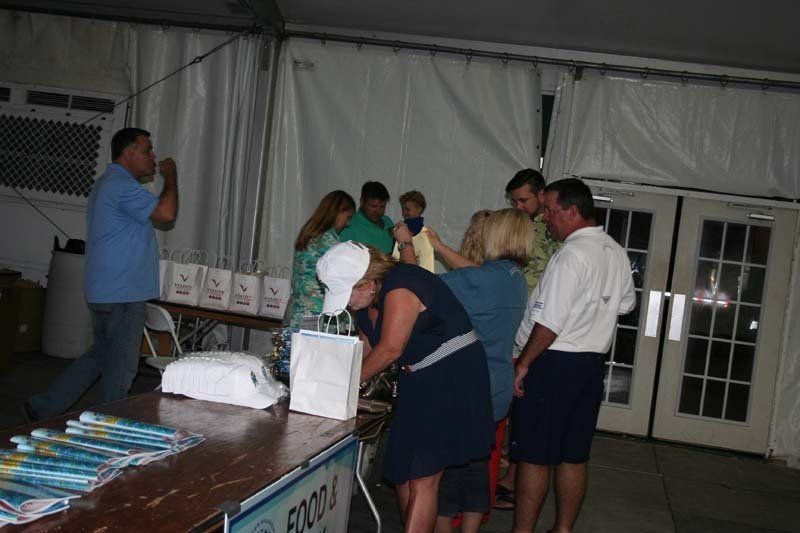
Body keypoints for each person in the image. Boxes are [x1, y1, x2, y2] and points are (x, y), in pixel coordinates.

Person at [316, 242, 494, 532]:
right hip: (418, 379)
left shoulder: (402, 286)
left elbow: (389, 350)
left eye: (346, 293)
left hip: (453, 377)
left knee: (424, 475)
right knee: (401, 472)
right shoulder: (366, 303)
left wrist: (339, 386)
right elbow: (366, 350)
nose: (345, 303)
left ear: (370, 283)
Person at [24, 128, 178, 421]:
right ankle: (107, 426)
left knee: (100, 356)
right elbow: (166, 214)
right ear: (128, 152)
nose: (153, 157)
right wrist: (171, 178)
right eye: (147, 150)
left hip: (107, 290)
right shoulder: (121, 185)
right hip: (122, 293)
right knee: (120, 369)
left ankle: (44, 405)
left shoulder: (109, 184)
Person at [511, 178, 635, 533]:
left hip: (554, 362)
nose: (546, 217)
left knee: (533, 455)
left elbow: (549, 323)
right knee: (573, 454)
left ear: (572, 210)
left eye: (550, 210)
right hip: (590, 366)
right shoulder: (615, 250)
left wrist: (523, 364)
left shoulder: (571, 255)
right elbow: (626, 304)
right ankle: (563, 529)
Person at [425, 209, 531, 533]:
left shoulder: (483, 278)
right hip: (496, 385)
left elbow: (423, 285)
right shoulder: (513, 277)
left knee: (446, 470)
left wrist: (407, 249)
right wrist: (441, 248)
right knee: (475, 468)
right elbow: (475, 276)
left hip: (467, 386)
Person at [495, 168, 560, 509]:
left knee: (525, 409)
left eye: (524, 199)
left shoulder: (552, 230)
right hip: (520, 322)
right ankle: (510, 477)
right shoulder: (527, 225)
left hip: (538, 326)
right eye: (514, 201)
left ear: (541, 193)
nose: (519, 206)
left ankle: (516, 482)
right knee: (517, 408)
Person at [286, 190, 355, 328]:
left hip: (296, 310)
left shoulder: (308, 234)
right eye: (348, 217)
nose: (348, 223)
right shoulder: (329, 242)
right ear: (337, 212)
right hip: (316, 314)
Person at [339, 181, 394, 253]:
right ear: (362, 202)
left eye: (382, 206)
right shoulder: (349, 225)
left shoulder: (387, 221)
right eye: (373, 206)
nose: (378, 211)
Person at [392, 190, 435, 272]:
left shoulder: (427, 235)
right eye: (403, 209)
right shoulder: (399, 230)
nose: (404, 213)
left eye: (408, 210)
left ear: (419, 209)